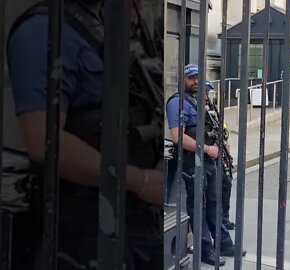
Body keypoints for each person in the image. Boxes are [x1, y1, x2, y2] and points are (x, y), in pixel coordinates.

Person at [7, 0, 163, 269]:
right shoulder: (45, 28)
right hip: (86, 225)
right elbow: (44, 140)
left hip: (132, 219)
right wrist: (142, 182)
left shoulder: (102, 23)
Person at [166, 64, 246, 266]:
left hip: (211, 161)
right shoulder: (177, 102)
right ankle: (205, 250)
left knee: (214, 204)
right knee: (198, 207)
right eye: (191, 78)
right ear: (183, 80)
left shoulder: (201, 101)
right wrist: (207, 149)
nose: (195, 82)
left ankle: (224, 243)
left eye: (198, 78)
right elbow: (177, 136)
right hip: (194, 162)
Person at [204, 81, 235, 230]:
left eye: (208, 91)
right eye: (205, 91)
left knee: (226, 184)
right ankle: (219, 219)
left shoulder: (212, 107)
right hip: (210, 154)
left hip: (221, 152)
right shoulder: (199, 108)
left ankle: (224, 218)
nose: (207, 94)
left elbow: (222, 129)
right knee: (214, 190)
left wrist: (226, 146)